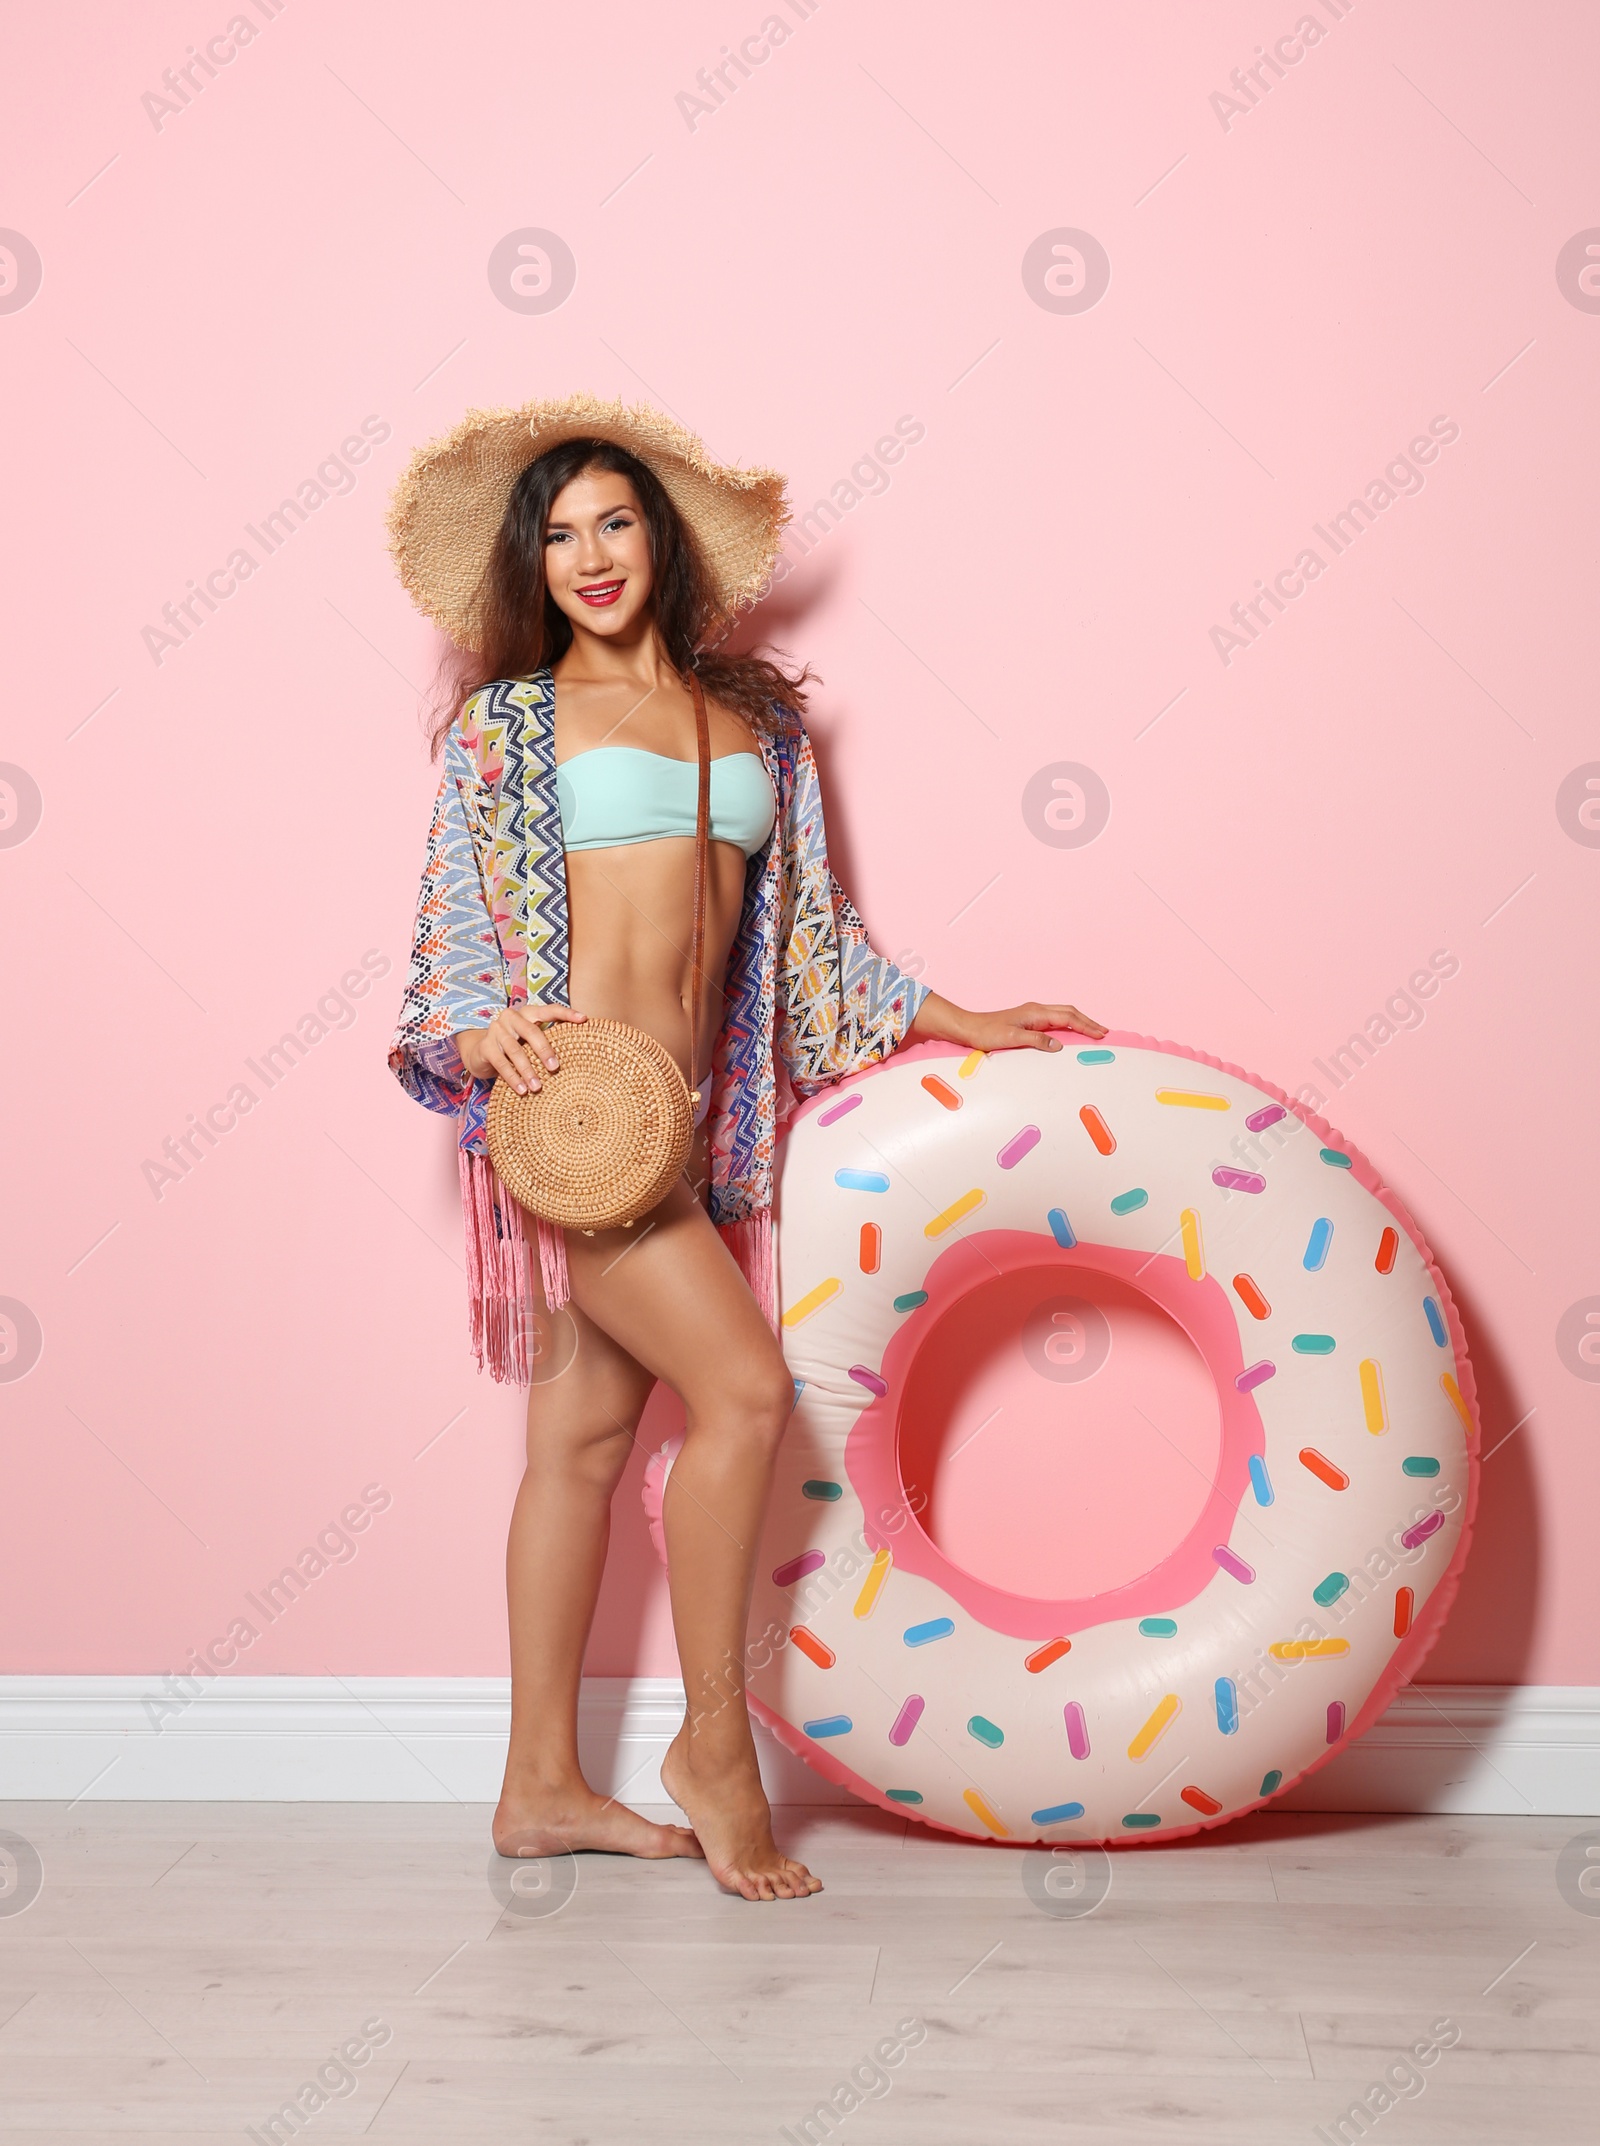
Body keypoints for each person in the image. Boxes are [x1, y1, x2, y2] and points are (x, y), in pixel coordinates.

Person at [386, 396, 1105, 1901]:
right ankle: (716, 1746)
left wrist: (962, 1018)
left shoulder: (760, 724)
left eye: (615, 520)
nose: (591, 554)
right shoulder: (508, 728)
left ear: (660, 537)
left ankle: (535, 1786)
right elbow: (452, 926)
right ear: (535, 563)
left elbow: (813, 954)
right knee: (751, 1389)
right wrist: (480, 1031)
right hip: (584, 1130)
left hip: (697, 1136)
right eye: (561, 533)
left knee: (578, 1451)